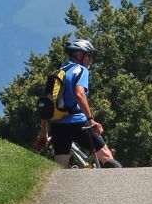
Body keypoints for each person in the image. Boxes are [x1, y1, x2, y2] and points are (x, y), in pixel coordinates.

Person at [35, 38, 117, 168]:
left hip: (58, 126)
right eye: (89, 56)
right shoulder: (81, 70)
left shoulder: (58, 72)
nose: (90, 60)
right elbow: (80, 94)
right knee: (107, 158)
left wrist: (44, 132)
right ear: (79, 55)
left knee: (61, 170)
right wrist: (91, 121)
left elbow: (46, 104)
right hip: (79, 124)